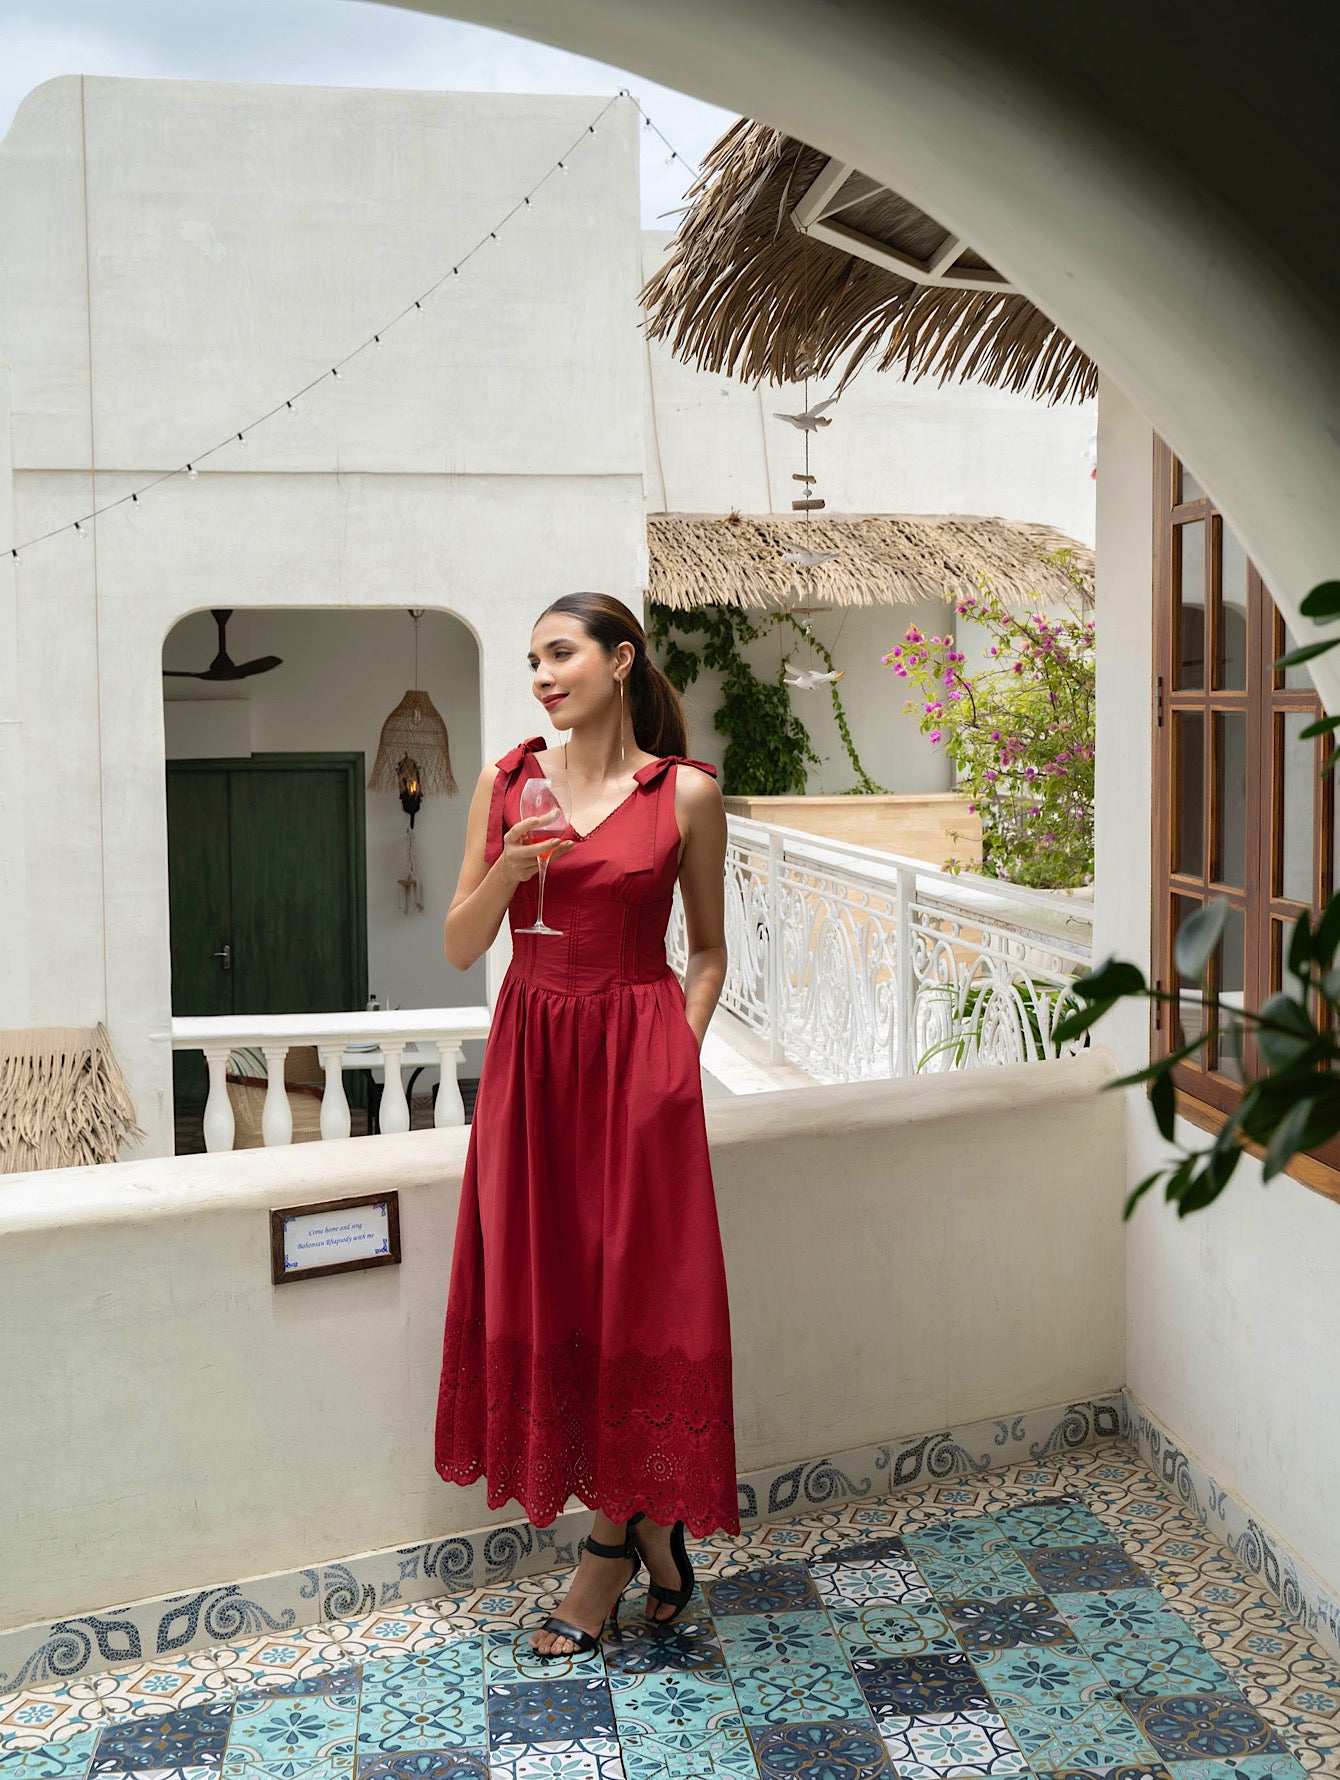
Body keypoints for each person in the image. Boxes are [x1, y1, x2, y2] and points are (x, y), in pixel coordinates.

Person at [435, 591, 738, 1657]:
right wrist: (514, 864)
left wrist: (673, 1062)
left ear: (620, 661)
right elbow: (462, 944)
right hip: (533, 1065)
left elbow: (705, 952)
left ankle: (605, 1549)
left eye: (558, 654)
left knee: (636, 1297)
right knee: (554, 1277)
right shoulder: (506, 779)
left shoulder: (687, 794)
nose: (540, 676)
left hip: (638, 1068)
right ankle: (647, 1541)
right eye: (530, 660)